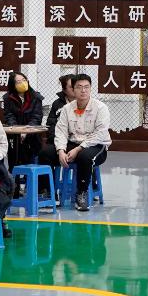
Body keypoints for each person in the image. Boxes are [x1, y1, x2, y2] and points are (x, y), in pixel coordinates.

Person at [52, 73, 110, 212]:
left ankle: (82, 193)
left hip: (96, 145)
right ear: (73, 90)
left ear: (90, 88)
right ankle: (49, 193)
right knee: (45, 153)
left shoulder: (101, 108)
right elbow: (61, 131)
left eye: (86, 87)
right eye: (79, 87)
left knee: (84, 157)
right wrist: (61, 151)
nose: (83, 90)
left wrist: (78, 149)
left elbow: (100, 134)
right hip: (73, 143)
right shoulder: (67, 109)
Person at [1, 72, 51, 166]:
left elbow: (36, 117)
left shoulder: (36, 97)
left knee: (31, 152)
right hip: (15, 134)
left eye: (24, 80)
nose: (23, 83)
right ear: (13, 84)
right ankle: (14, 171)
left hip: (32, 133)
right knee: (14, 153)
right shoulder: (8, 98)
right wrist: (18, 130)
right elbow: (9, 116)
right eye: (18, 82)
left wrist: (26, 131)